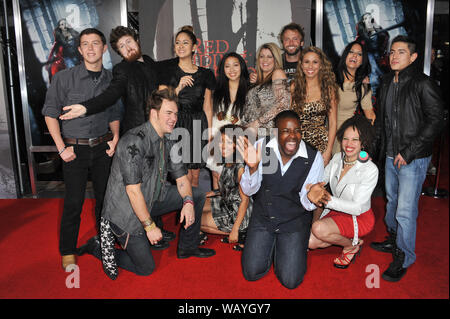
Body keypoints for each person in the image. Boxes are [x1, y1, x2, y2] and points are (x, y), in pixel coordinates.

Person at [78, 88, 216, 279]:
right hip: (125, 211)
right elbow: (133, 192)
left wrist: (188, 202)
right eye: (168, 113)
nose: (174, 118)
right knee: (146, 268)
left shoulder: (169, 139)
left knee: (197, 194)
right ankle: (97, 247)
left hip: (152, 198)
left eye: (175, 113)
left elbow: (182, 178)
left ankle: (188, 247)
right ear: (154, 113)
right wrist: (150, 227)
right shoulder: (133, 141)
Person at [59, 26, 175, 249]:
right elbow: (109, 96)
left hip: (157, 133)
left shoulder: (149, 62)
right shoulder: (122, 70)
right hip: (137, 137)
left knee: (157, 181)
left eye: (129, 42)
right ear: (117, 52)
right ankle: (141, 231)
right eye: (121, 47)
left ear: (137, 40)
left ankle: (157, 225)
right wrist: (85, 108)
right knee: (138, 185)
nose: (127, 48)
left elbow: (169, 71)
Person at [41, 28, 121, 270]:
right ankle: (67, 249)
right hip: (74, 151)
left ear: (104, 48)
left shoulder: (111, 80)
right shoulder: (64, 78)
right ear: (79, 49)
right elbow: (50, 114)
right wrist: (61, 148)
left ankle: (104, 244)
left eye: (95, 43)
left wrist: (115, 136)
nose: (90, 48)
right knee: (74, 202)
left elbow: (114, 112)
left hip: (102, 149)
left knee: (105, 202)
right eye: (85, 44)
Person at [370, 35, 445, 282]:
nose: (394, 56)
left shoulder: (423, 84)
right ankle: (394, 241)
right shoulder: (387, 81)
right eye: (392, 52)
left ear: (413, 57)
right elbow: (382, 121)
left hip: (412, 158)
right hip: (390, 155)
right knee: (391, 203)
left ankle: (404, 255)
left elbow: (436, 120)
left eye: (401, 52)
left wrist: (410, 151)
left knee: (404, 210)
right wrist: (376, 151)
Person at [238, 110, 325, 289]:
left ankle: (283, 246)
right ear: (276, 132)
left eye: (297, 130)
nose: (292, 136)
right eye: (285, 131)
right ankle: (272, 245)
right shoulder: (262, 147)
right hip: (264, 217)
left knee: (291, 281)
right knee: (251, 273)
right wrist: (252, 169)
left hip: (293, 221)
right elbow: (248, 189)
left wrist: (311, 197)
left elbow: (306, 202)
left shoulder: (314, 157)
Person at [308, 116, 378, 269]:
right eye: (345, 139)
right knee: (311, 243)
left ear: (363, 142)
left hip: (359, 217)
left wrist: (325, 198)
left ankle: (351, 246)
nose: (349, 144)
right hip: (338, 212)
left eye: (355, 140)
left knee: (318, 229)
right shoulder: (337, 158)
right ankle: (350, 240)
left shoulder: (370, 169)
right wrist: (311, 187)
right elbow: (322, 180)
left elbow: (357, 207)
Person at [159, 25, 216, 188]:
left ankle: (194, 212)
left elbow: (208, 106)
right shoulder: (167, 72)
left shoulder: (206, 74)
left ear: (194, 47)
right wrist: (177, 88)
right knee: (181, 176)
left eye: (185, 43)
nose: (181, 46)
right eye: (177, 43)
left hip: (198, 124)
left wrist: (210, 132)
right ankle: (184, 210)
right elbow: (161, 103)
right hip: (176, 125)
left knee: (195, 176)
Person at [201, 124, 253, 251]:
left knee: (197, 220)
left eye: (228, 142)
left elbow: (245, 200)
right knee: (197, 205)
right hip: (227, 203)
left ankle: (243, 233)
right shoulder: (228, 161)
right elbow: (229, 187)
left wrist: (235, 229)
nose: (223, 146)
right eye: (221, 141)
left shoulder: (239, 167)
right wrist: (212, 193)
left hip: (238, 213)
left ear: (237, 145)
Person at [207, 52, 250, 189]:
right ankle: (218, 209)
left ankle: (237, 210)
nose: (232, 70)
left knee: (238, 181)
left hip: (237, 145)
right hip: (218, 142)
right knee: (217, 177)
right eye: (227, 66)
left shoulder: (250, 92)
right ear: (222, 69)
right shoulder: (216, 92)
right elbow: (211, 118)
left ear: (242, 67)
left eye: (235, 65)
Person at [290, 46, 338, 167]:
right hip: (296, 144)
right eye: (307, 62)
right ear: (301, 65)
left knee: (316, 184)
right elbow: (287, 118)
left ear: (321, 65)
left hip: (319, 146)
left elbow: (333, 123)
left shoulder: (329, 89)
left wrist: (328, 152)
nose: (310, 66)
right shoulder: (294, 87)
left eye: (315, 62)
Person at [333, 40, 376, 154]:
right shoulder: (330, 79)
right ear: (345, 55)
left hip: (346, 139)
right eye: (351, 52)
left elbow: (370, 115)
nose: (354, 56)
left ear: (362, 61)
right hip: (324, 135)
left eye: (359, 54)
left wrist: (363, 143)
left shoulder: (362, 85)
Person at [241, 43, 290, 135]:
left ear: (275, 59)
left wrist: (258, 123)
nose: (265, 60)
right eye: (261, 56)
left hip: (268, 133)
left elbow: (283, 104)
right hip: (250, 133)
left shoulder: (277, 73)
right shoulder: (257, 80)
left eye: (269, 57)